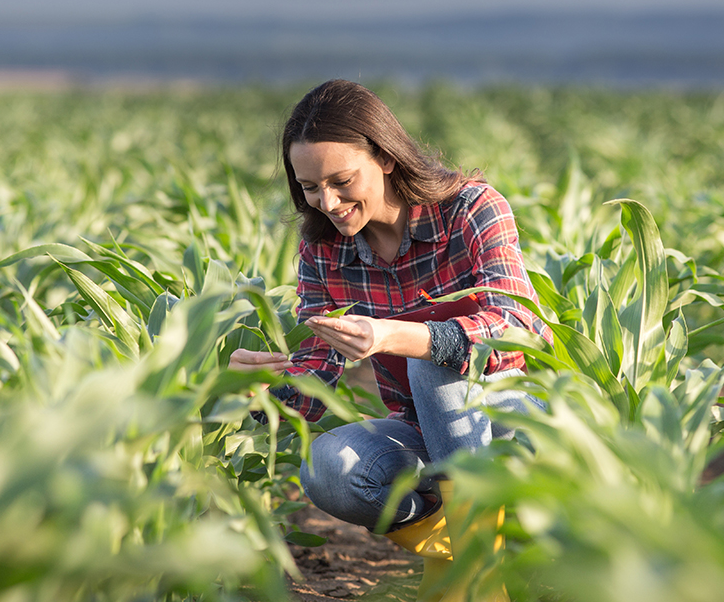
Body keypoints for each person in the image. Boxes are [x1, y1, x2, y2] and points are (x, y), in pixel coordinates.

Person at [230, 79, 549, 601]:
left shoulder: (469, 209)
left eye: (341, 180)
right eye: (310, 188)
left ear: (385, 157)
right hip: (426, 431)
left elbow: (517, 322)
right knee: (329, 469)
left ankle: (475, 579)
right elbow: (316, 370)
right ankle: (468, 552)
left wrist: (399, 335)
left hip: (516, 416)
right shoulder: (325, 254)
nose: (328, 202)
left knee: (428, 361)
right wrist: (250, 389)